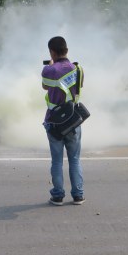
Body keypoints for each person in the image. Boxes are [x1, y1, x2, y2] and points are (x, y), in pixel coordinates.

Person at [41, 36, 84, 205]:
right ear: (66, 50)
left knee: (57, 161)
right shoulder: (78, 69)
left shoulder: (49, 71)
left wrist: (51, 66)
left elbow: (45, 86)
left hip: (55, 121)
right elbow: (79, 86)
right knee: (75, 159)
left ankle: (58, 195)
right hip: (73, 120)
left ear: (52, 52)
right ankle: (78, 195)